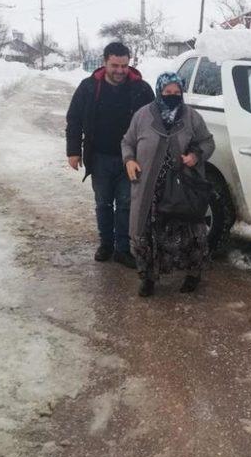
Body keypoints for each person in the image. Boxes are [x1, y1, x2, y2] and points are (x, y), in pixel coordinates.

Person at [121, 72, 215, 296]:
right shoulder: (143, 116)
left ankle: (193, 275)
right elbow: (127, 142)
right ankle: (149, 279)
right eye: (167, 92)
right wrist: (129, 160)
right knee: (148, 233)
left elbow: (207, 142)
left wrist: (194, 156)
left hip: (183, 188)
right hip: (150, 189)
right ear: (158, 91)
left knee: (189, 233)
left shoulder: (191, 116)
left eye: (176, 93)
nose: (172, 96)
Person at [65, 41, 155, 267]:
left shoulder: (141, 89)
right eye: (115, 65)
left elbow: (154, 121)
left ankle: (123, 249)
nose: (120, 71)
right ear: (104, 63)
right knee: (103, 203)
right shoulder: (88, 87)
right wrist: (73, 151)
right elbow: (74, 119)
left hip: (131, 159)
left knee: (126, 204)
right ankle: (106, 244)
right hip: (100, 156)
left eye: (124, 65)